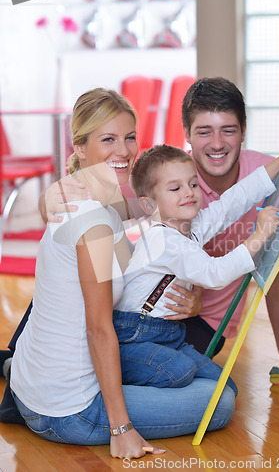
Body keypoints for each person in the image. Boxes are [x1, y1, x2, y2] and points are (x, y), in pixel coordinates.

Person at [3, 88, 238, 459]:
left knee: (212, 380)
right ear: (79, 146)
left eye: (130, 137)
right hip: (70, 410)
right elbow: (99, 329)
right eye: (108, 139)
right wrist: (121, 428)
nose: (125, 151)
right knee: (220, 401)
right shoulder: (94, 220)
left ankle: (14, 368)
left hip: (32, 385)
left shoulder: (99, 198)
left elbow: (158, 207)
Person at [112, 141, 279, 391]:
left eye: (193, 184)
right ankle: (121, 384)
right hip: (136, 335)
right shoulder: (163, 240)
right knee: (181, 372)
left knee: (225, 387)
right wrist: (258, 236)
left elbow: (233, 201)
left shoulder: (189, 227)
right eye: (175, 188)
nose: (189, 192)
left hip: (167, 334)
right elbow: (214, 274)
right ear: (150, 205)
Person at [179, 77, 279, 363]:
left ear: (243, 131)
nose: (217, 143)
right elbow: (120, 208)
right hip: (158, 310)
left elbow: (277, 263)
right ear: (186, 133)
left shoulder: (269, 172)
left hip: (207, 323)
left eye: (228, 130)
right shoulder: (171, 176)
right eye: (204, 131)